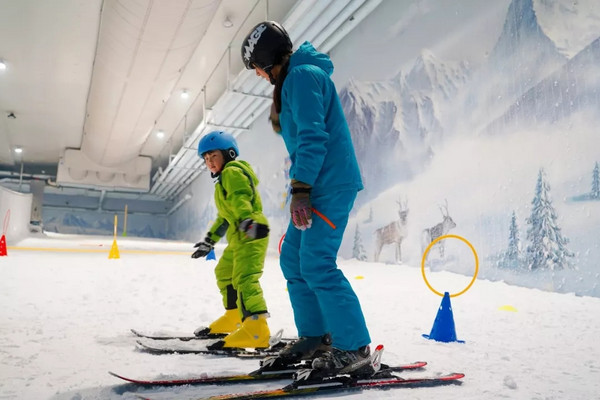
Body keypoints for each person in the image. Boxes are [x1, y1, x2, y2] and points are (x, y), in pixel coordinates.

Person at [241, 22, 373, 377]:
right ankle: (316, 336)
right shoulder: (296, 78)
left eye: (256, 66)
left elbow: (314, 137)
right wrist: (300, 188)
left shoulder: (301, 77)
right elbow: (304, 142)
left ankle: (354, 347)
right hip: (315, 185)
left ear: (268, 58)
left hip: (327, 185)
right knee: (294, 259)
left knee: (316, 263)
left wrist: (301, 190)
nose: (257, 74)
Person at [191, 130, 271, 349]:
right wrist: (209, 241)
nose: (209, 162)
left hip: (251, 229)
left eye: (213, 156)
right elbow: (224, 217)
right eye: (206, 159)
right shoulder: (221, 182)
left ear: (229, 153)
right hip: (239, 234)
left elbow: (240, 198)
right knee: (224, 272)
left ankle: (256, 331)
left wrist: (246, 221)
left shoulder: (232, 172)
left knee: (245, 278)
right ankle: (234, 316)